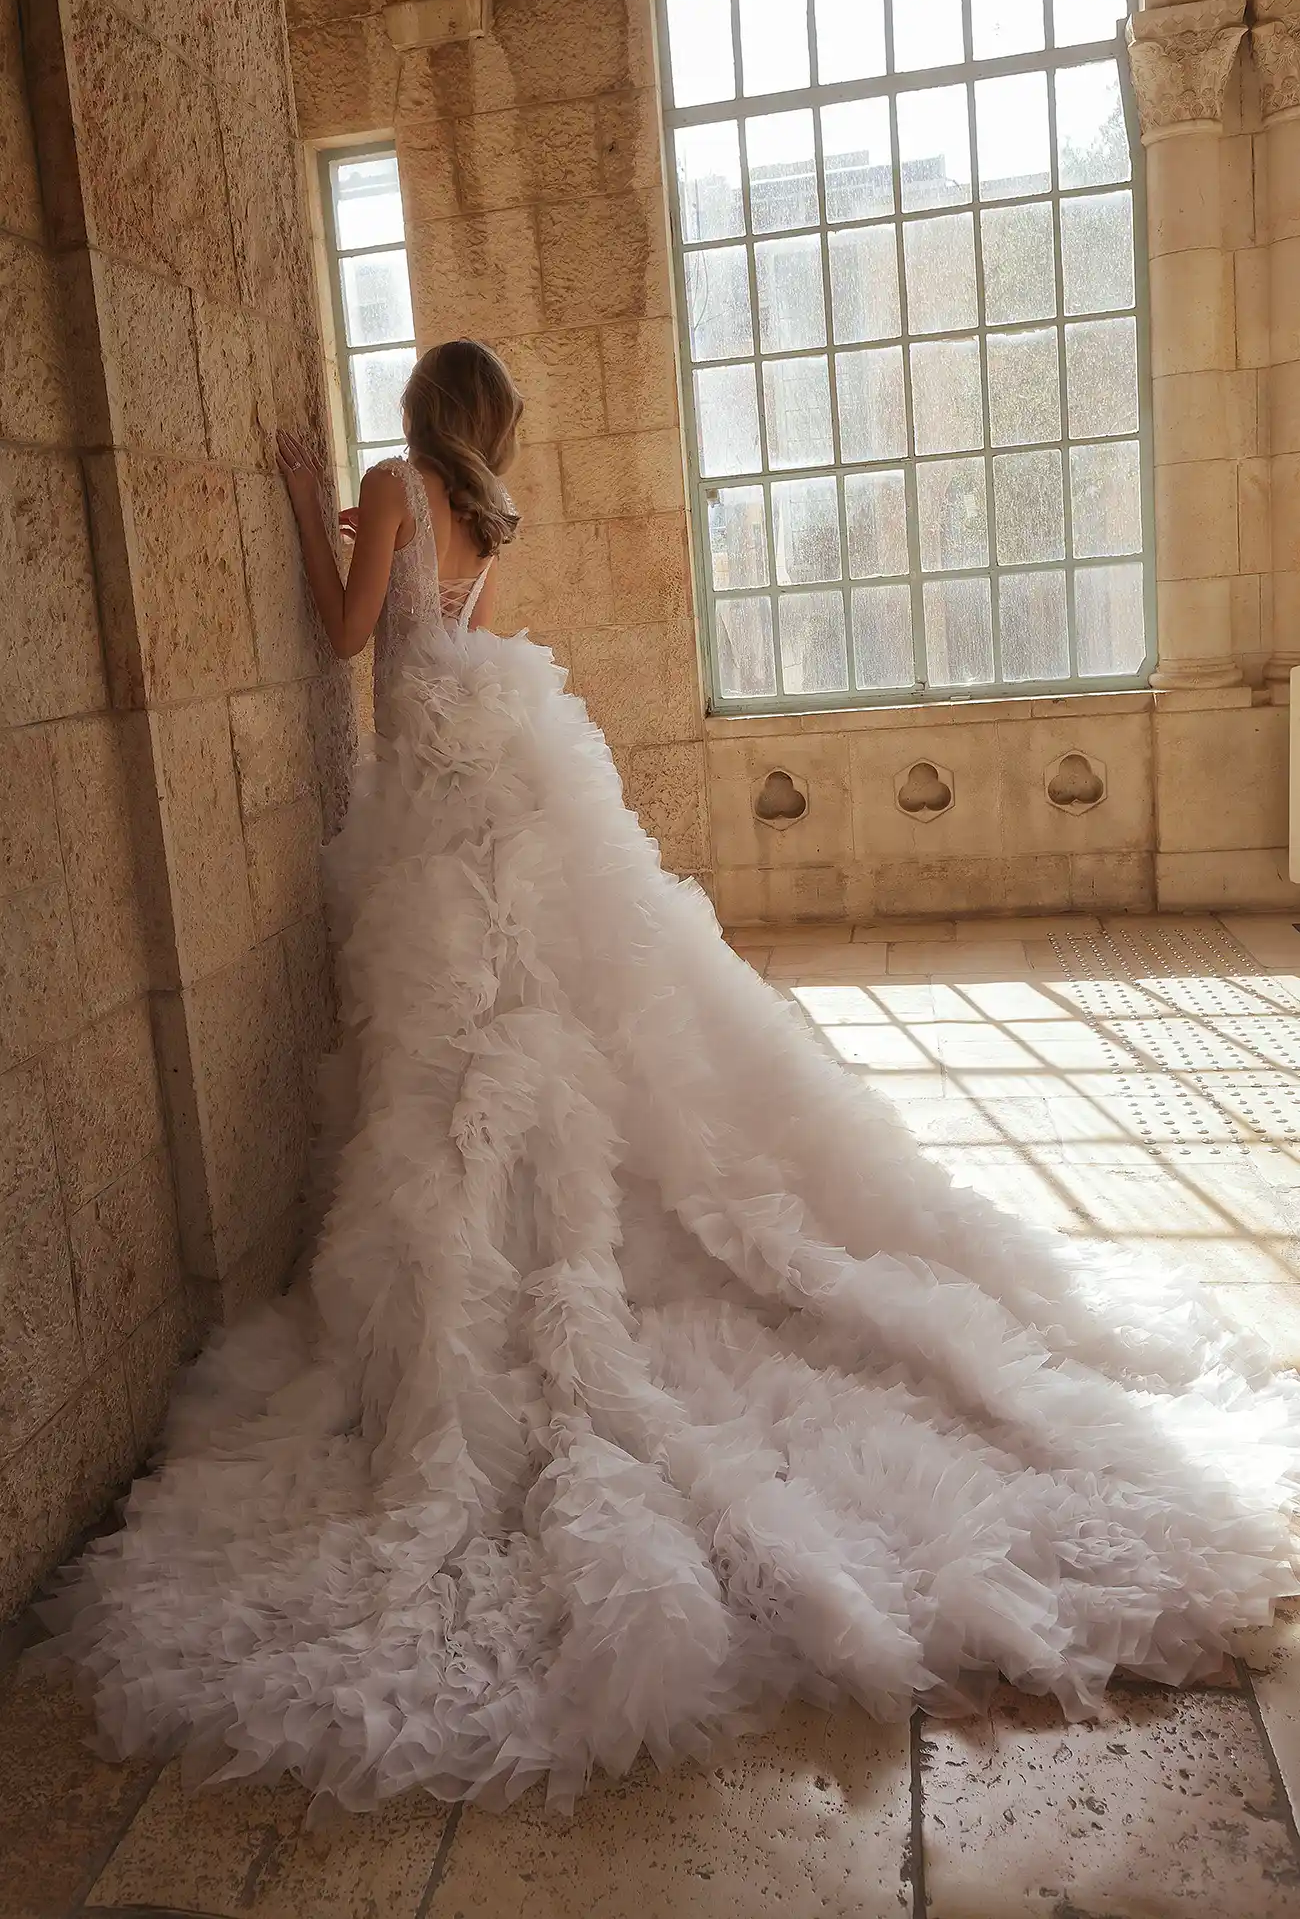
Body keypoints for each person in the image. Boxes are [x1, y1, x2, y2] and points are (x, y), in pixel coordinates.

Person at [39, 339, 1300, 1818]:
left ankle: (473, 1291)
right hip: (487, 816)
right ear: (487, 426)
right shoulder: (481, 513)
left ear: (412, 412)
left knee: (453, 1079)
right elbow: (436, 624)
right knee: (522, 1062)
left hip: (438, 844)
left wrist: (308, 504)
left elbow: (345, 637)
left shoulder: (383, 480)